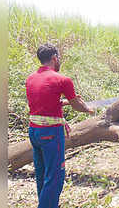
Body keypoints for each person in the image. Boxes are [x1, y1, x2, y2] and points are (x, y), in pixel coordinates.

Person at [26, 43, 94, 208]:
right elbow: (78, 106)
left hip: (34, 131)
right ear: (55, 58)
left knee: (42, 174)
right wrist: (87, 109)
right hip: (50, 133)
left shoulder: (30, 78)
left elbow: (42, 102)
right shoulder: (62, 79)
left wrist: (64, 102)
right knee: (55, 177)